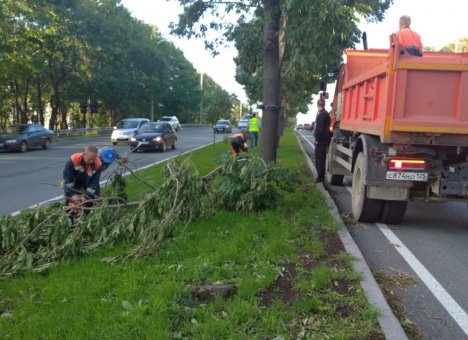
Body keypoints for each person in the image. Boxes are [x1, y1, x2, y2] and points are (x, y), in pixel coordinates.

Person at [313, 98, 332, 183]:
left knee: (319, 159)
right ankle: (321, 176)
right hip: (326, 139)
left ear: (317, 105)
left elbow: (319, 129)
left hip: (321, 140)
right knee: (322, 158)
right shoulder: (327, 114)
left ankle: (320, 177)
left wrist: (317, 139)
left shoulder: (321, 115)